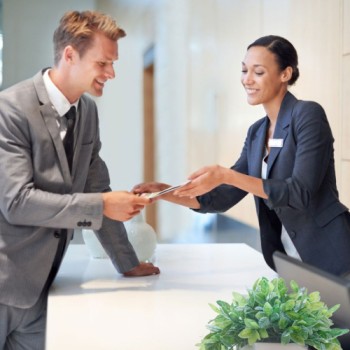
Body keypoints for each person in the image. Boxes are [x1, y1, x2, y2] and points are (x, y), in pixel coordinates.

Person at [0, 10, 160, 349]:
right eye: (103, 63)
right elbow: (17, 203)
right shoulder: (9, 110)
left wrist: (127, 264)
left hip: (42, 289)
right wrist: (102, 205)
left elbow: (95, 186)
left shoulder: (87, 112)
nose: (111, 73)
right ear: (69, 55)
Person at [133, 35, 350, 278]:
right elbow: (221, 197)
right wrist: (165, 192)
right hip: (292, 261)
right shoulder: (257, 132)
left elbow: (299, 193)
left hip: (334, 257)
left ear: (285, 74)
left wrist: (227, 175)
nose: (247, 79)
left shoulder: (307, 115)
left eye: (258, 72)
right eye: (244, 70)